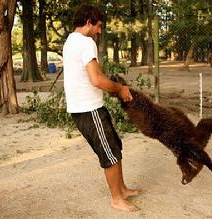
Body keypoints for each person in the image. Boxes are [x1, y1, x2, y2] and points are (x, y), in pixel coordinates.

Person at [63, 3, 140, 212]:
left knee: (114, 145)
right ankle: (117, 199)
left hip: (87, 107)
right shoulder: (86, 43)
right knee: (110, 153)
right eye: (98, 26)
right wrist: (120, 89)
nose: (99, 31)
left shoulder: (71, 41)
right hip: (89, 110)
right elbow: (96, 80)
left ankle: (122, 189)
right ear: (88, 23)